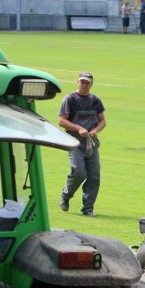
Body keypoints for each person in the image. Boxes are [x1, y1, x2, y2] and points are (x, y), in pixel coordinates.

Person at [58, 71, 107, 217]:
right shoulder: (70, 99)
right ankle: (66, 195)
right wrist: (79, 128)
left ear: (91, 84)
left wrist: (96, 130)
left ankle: (88, 208)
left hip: (91, 143)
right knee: (79, 171)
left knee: (94, 176)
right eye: (82, 82)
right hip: (74, 142)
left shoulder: (95, 100)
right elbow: (61, 120)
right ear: (77, 82)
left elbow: (103, 120)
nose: (84, 85)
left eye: (87, 82)